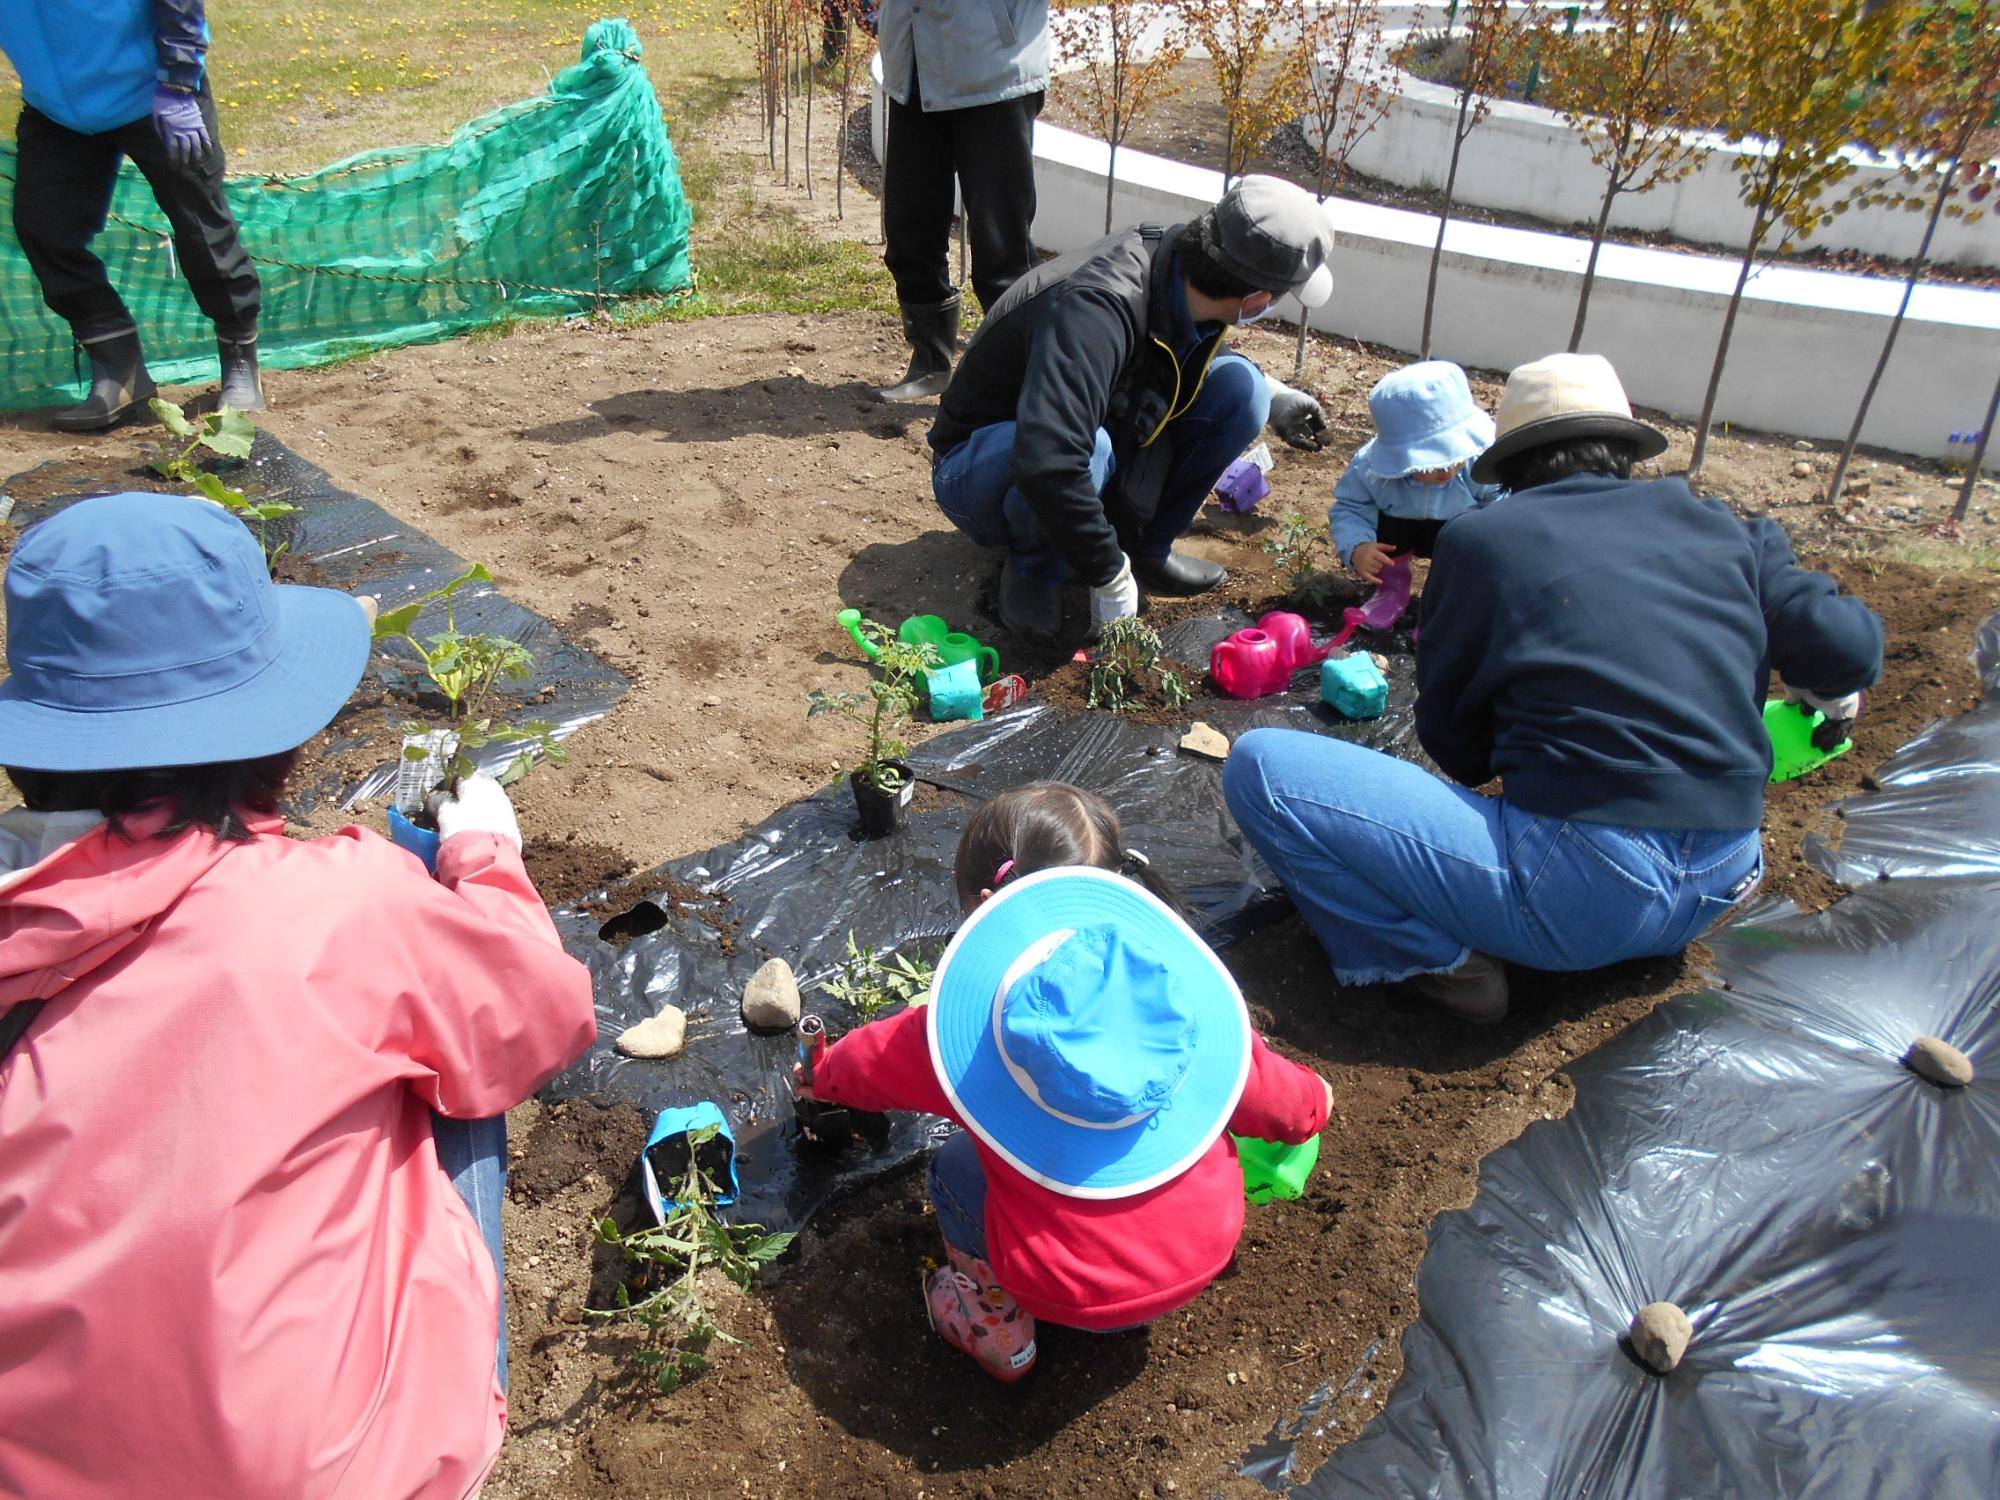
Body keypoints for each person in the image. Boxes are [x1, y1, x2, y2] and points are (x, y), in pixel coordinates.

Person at [0, 494, 597, 1497]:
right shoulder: (338, 903)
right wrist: (486, 853)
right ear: (272, 734)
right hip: (313, 1473)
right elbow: (543, 1013)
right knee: (458, 1066)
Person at [1224, 353, 1884, 1025]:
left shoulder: (1484, 543)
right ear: (1625, 448)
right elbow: (1850, 649)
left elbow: (1460, 752)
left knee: (1261, 768)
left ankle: (1432, 963)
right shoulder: (1727, 529)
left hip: (1583, 903)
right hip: (1726, 878)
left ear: (1508, 464)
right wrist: (1818, 683)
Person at [797, 782, 1332, 1381]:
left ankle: (995, 1324)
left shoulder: (961, 1036)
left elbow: (865, 1065)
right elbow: (1287, 1106)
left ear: (983, 906)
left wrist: (818, 1077)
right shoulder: (1180, 997)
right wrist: (1317, 1101)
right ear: (1114, 885)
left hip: (1062, 1290)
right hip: (1202, 1251)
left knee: (954, 1170)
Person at [928, 175, 1338, 641]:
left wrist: (1272, 393)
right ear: (1256, 301)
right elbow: (1050, 461)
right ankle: (1035, 570)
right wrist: (1108, 573)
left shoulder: (1183, 264)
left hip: (1071, 439)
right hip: (976, 466)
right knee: (1089, 451)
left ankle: (1147, 548)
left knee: (1244, 392)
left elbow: (1176, 344)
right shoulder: (1097, 306)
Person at [0, 0, 265, 431]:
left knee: (201, 228)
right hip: (58, 110)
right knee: (44, 228)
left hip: (155, 94)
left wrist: (178, 84)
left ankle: (239, 359)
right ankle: (120, 372)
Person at [872, 0, 1049, 403]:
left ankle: (1025, 375)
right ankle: (930, 359)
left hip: (994, 67)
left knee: (1001, 245)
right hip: (915, 61)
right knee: (909, 226)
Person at [1332, 360, 1504, 584]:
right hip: (1397, 525)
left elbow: (1499, 504)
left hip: (1458, 527)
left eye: (1456, 457)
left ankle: (1453, 587)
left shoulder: (1479, 463)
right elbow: (1350, 508)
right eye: (1432, 465)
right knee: (1387, 541)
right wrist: (1357, 546)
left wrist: (1490, 547)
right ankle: (1393, 584)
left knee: (1466, 553)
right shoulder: (1370, 471)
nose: (1448, 471)